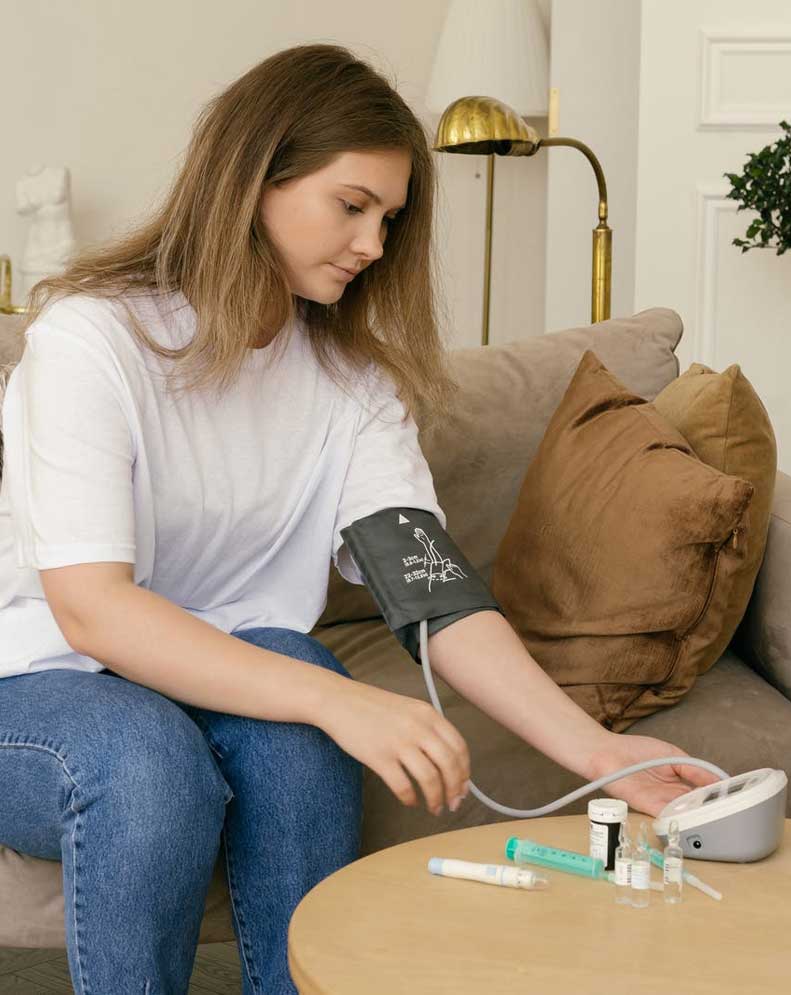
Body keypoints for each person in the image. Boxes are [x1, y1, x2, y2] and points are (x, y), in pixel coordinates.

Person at [0, 43, 719, 994]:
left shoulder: (352, 386)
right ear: (253, 178)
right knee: (159, 761)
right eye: (352, 206)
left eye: (390, 218)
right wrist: (344, 699)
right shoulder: (94, 339)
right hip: (45, 689)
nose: (375, 246)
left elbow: (436, 600)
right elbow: (94, 610)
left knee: (299, 712)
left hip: (221, 684)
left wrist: (597, 752)